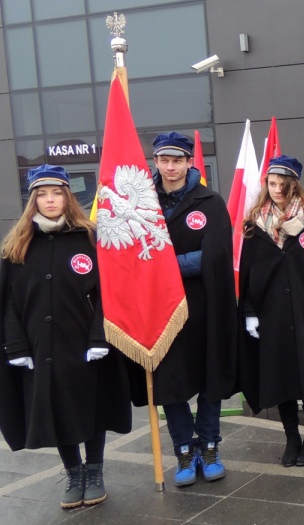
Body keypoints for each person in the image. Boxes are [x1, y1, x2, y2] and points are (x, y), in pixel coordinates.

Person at [0, 165, 131, 509]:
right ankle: (74, 472)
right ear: (33, 200)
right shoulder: (17, 246)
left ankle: (95, 470)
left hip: (86, 345)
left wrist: (100, 336)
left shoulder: (89, 237)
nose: (50, 200)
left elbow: (109, 293)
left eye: (56, 193)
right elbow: (9, 302)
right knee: (57, 409)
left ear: (67, 196)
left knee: (94, 407)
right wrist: (15, 345)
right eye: (42, 194)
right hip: (41, 348)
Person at [130, 132, 236, 487]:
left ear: (190, 162)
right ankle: (183, 451)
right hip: (160, 310)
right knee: (169, 384)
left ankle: (209, 446)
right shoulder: (140, 203)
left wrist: (165, 264)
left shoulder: (210, 201)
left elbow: (216, 254)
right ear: (155, 162)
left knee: (209, 379)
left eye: (178, 160)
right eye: (164, 160)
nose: (171, 167)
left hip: (203, 308)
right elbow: (131, 252)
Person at [238, 155, 304, 467]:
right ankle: (291, 438)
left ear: (294, 186)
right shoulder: (255, 226)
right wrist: (249, 312)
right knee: (282, 378)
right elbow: (248, 273)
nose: (276, 190)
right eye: (271, 184)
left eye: (282, 186)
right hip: (271, 317)